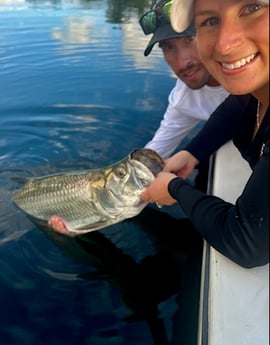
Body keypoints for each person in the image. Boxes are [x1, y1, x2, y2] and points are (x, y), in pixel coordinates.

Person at [141, 0, 269, 268]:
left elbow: (248, 245)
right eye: (210, 21)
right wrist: (192, 153)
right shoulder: (247, 92)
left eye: (253, 8)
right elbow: (231, 110)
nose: (225, 44)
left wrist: (175, 189)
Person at [140, 0, 229, 160]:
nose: (182, 62)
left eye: (189, 39)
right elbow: (155, 152)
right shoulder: (184, 98)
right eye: (167, 47)